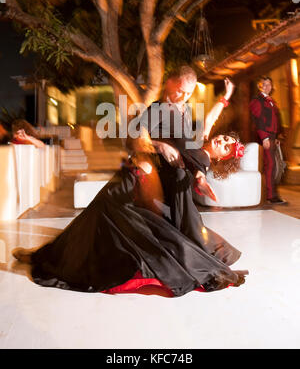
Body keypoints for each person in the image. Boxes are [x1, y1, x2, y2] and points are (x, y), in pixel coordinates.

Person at [13, 67, 247, 297]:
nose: (185, 97)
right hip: (137, 175)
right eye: (181, 91)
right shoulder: (158, 109)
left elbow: (200, 137)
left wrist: (197, 172)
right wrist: (160, 145)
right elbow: (134, 136)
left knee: (100, 221)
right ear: (170, 85)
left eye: (189, 93)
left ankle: (47, 257)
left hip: (148, 182)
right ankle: (43, 257)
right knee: (93, 218)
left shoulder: (184, 112)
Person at [249, 76, 287, 205]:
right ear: (260, 86)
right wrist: (264, 137)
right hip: (264, 137)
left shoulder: (271, 101)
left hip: (272, 137)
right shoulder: (257, 100)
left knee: (274, 166)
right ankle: (270, 196)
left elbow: (275, 120)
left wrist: (276, 137)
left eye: (269, 84)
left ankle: (272, 194)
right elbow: (258, 120)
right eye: (264, 84)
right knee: (269, 166)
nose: (267, 86)